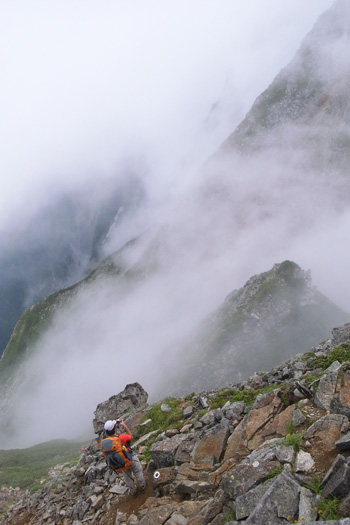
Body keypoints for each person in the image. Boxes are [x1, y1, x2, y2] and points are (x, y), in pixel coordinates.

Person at [103, 418, 146, 496]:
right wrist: (124, 426)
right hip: (130, 459)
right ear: (115, 428)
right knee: (137, 472)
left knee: (128, 478)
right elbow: (130, 436)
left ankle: (133, 491)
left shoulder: (106, 443)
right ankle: (142, 486)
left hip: (121, 464)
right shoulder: (121, 437)